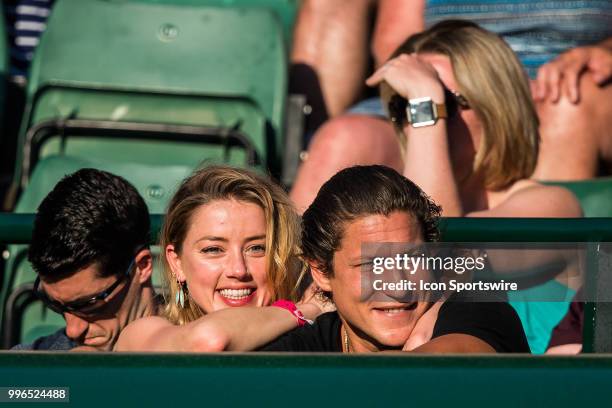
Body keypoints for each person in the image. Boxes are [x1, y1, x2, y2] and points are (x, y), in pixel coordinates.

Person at [289, 1, 612, 210]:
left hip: (556, 82)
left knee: (570, 98)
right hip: (441, 65)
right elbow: (397, 37)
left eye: (446, 104)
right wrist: (423, 92)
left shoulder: (552, 205)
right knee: (343, 137)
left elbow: (437, 262)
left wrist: (428, 109)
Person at [260, 165, 530, 353]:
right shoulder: (307, 345)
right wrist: (301, 312)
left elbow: (439, 372)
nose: (398, 286)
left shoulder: (479, 312)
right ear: (320, 272)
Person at [116, 165, 326, 352]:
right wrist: (305, 311)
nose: (238, 270)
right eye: (213, 250)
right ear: (176, 263)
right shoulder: (142, 336)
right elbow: (209, 341)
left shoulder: (321, 338)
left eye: (257, 248)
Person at [12, 168, 158, 351]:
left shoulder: (199, 357)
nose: (73, 330)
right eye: (56, 305)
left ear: (142, 266)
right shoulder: (28, 368)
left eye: (89, 304)